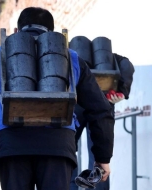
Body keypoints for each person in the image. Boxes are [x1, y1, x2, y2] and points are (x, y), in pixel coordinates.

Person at [0, 7, 114, 190]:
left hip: (11, 145)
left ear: (16, 32)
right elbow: (101, 109)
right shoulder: (71, 59)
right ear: (51, 35)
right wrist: (102, 157)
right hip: (57, 145)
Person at [70, 53, 134, 190]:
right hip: (103, 101)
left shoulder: (70, 54)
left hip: (75, 104)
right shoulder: (106, 57)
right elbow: (126, 64)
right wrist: (122, 90)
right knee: (99, 160)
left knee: (68, 153)